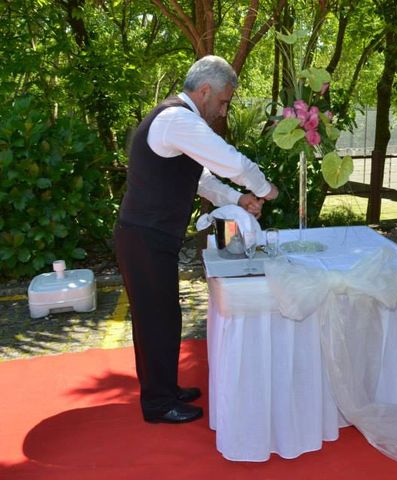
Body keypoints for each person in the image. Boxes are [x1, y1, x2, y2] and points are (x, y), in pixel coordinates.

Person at [114, 55, 279, 424]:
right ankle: (158, 403)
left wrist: (238, 199)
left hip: (150, 237)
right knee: (155, 319)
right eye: (223, 101)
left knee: (166, 317)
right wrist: (265, 189)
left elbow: (202, 179)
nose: (223, 111)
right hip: (144, 236)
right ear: (204, 91)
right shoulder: (177, 120)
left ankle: (166, 389)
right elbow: (230, 162)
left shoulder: (180, 125)